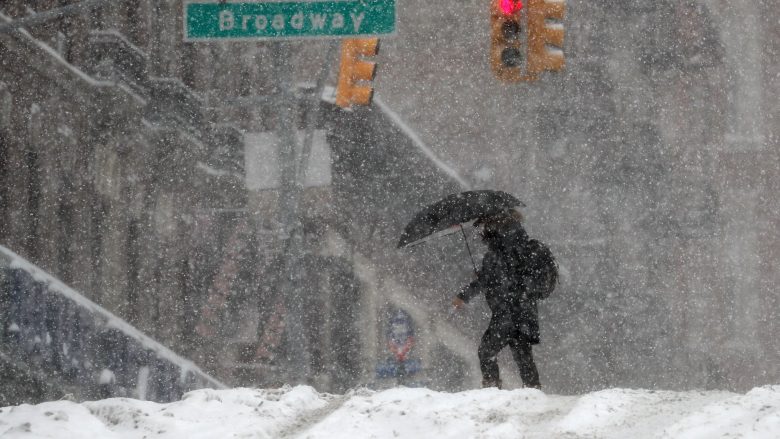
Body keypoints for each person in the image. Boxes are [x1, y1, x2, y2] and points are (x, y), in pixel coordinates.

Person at [452, 209, 557, 389]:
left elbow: (489, 281)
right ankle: (533, 392)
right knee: (523, 356)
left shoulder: (498, 252)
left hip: (507, 313)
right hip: (525, 310)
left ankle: (492, 391)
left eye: (482, 226)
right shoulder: (521, 245)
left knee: (486, 352)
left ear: (493, 224)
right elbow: (504, 278)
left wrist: (463, 296)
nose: (480, 231)